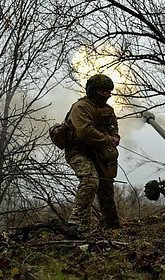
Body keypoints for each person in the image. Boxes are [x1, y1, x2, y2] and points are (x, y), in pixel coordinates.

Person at [65, 74, 121, 234]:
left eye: (108, 91)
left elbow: (113, 125)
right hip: (79, 152)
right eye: (102, 91)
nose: (106, 94)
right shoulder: (81, 107)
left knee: (106, 185)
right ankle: (75, 224)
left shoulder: (108, 110)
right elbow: (85, 131)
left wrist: (115, 136)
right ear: (93, 90)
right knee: (90, 181)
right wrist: (108, 139)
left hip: (100, 152)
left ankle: (112, 224)